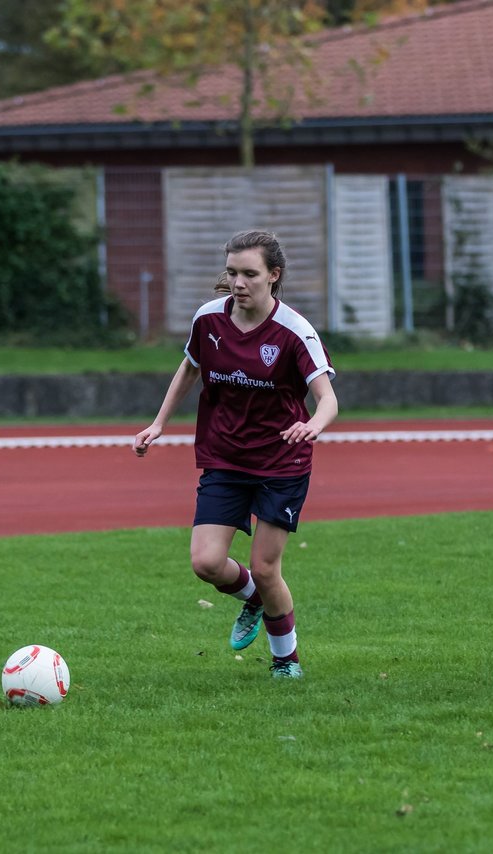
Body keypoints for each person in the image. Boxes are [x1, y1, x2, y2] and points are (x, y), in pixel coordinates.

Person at [133, 230, 338, 679]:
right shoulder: (209, 319)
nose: (238, 282)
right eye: (232, 272)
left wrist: (313, 425)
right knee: (205, 563)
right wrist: (159, 423)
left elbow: (327, 399)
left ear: (273, 275)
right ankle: (253, 599)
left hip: (281, 462)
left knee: (267, 568)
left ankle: (286, 661)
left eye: (249, 273)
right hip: (225, 456)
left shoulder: (293, 331)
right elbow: (190, 365)